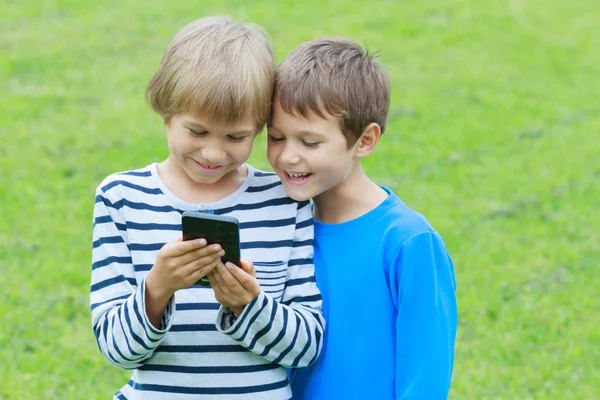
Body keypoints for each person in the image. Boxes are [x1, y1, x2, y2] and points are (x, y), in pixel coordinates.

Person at [90, 16, 324, 400]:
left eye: (237, 136)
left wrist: (249, 305)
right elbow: (117, 350)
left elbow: (306, 348)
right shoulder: (121, 198)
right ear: (164, 110)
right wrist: (157, 288)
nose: (214, 153)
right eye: (197, 132)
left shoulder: (284, 201)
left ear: (261, 126)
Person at [267, 37, 458, 399]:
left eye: (309, 143)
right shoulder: (283, 231)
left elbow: (426, 378)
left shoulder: (408, 241)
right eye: (276, 137)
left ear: (365, 140)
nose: (287, 156)